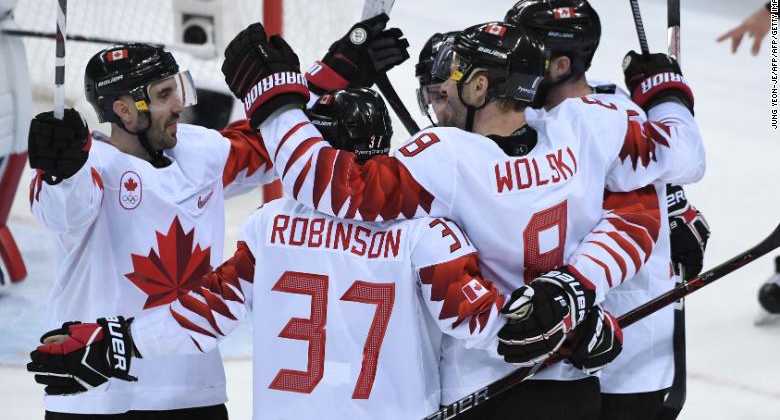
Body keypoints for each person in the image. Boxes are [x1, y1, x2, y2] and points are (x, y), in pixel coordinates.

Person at [217, 15, 705, 418]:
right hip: (573, 384)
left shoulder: (446, 160)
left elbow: (324, 182)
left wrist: (275, 99)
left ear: (478, 86)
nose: (437, 104)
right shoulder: (589, 125)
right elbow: (658, 188)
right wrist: (664, 91)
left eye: (446, 88)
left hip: (485, 388)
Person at [24, 88, 610, 419]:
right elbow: (491, 327)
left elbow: (204, 314)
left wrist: (115, 342)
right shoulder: (427, 233)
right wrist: (575, 319)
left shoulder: (268, 228)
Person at [25, 43, 278, 419]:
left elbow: (276, 146)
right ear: (124, 110)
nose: (178, 104)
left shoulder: (200, 150)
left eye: (176, 89)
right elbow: (63, 213)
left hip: (192, 393)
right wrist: (62, 172)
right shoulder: (89, 167)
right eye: (164, 95)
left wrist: (333, 74)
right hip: (97, 390)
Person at [504, 0, 710, 420]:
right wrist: (665, 96)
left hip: (627, 351)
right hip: (565, 345)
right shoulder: (604, 109)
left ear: (561, 66)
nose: (510, 61)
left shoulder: (607, 115)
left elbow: (685, 155)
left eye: (523, 52)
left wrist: (664, 99)